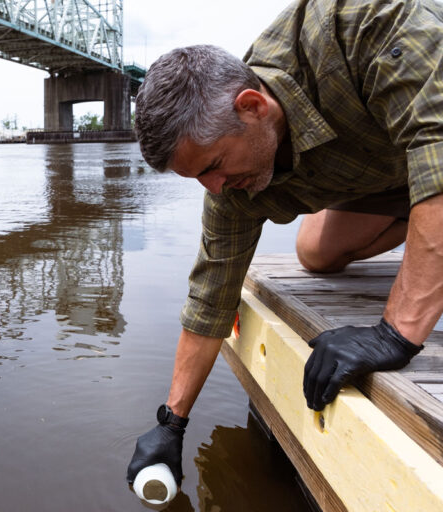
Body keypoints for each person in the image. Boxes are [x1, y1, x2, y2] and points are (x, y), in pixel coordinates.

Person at [126, 0, 443, 487]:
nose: (213, 190)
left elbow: (437, 151)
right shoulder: (231, 180)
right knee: (315, 252)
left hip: (432, 141)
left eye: (212, 166)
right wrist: (172, 421)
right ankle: (423, 214)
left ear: (251, 107)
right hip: (389, 171)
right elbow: (211, 297)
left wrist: (394, 334)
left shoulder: (364, 23)